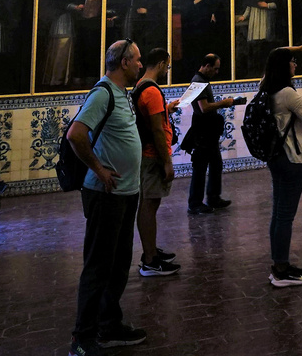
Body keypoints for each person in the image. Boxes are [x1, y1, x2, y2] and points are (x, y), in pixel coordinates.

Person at [63, 40, 147, 356]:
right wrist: (99, 169)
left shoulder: (122, 94)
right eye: (137, 60)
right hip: (105, 195)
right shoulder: (104, 93)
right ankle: (81, 339)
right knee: (98, 266)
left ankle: (109, 324)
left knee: (118, 263)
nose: (141, 65)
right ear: (124, 62)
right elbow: (76, 134)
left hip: (125, 194)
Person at [263, 43, 302, 286]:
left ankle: (279, 263)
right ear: (283, 67)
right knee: (285, 216)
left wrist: (298, 48)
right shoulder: (287, 94)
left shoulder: (266, 87)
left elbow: (273, 54)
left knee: (278, 213)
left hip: (276, 157)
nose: (294, 64)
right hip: (292, 157)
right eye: (291, 61)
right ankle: (281, 270)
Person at [131, 48, 180, 277]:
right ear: (161, 64)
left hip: (147, 154)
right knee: (149, 206)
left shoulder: (141, 85)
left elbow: (153, 119)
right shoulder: (151, 91)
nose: (167, 70)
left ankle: (151, 251)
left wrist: (167, 109)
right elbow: (157, 130)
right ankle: (150, 260)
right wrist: (166, 161)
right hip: (152, 156)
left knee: (150, 204)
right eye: (167, 66)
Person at [183, 53, 245, 214]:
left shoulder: (203, 81)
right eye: (215, 69)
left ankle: (213, 197)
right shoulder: (198, 81)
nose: (216, 72)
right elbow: (204, 108)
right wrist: (224, 103)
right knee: (201, 167)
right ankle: (195, 202)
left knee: (216, 164)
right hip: (202, 131)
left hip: (208, 131)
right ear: (207, 66)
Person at [237, 0, 283, 76]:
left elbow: (279, 4)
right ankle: (255, 70)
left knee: (265, 44)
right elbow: (250, 4)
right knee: (255, 46)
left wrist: (267, 5)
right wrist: (244, 16)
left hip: (266, 17)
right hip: (255, 17)